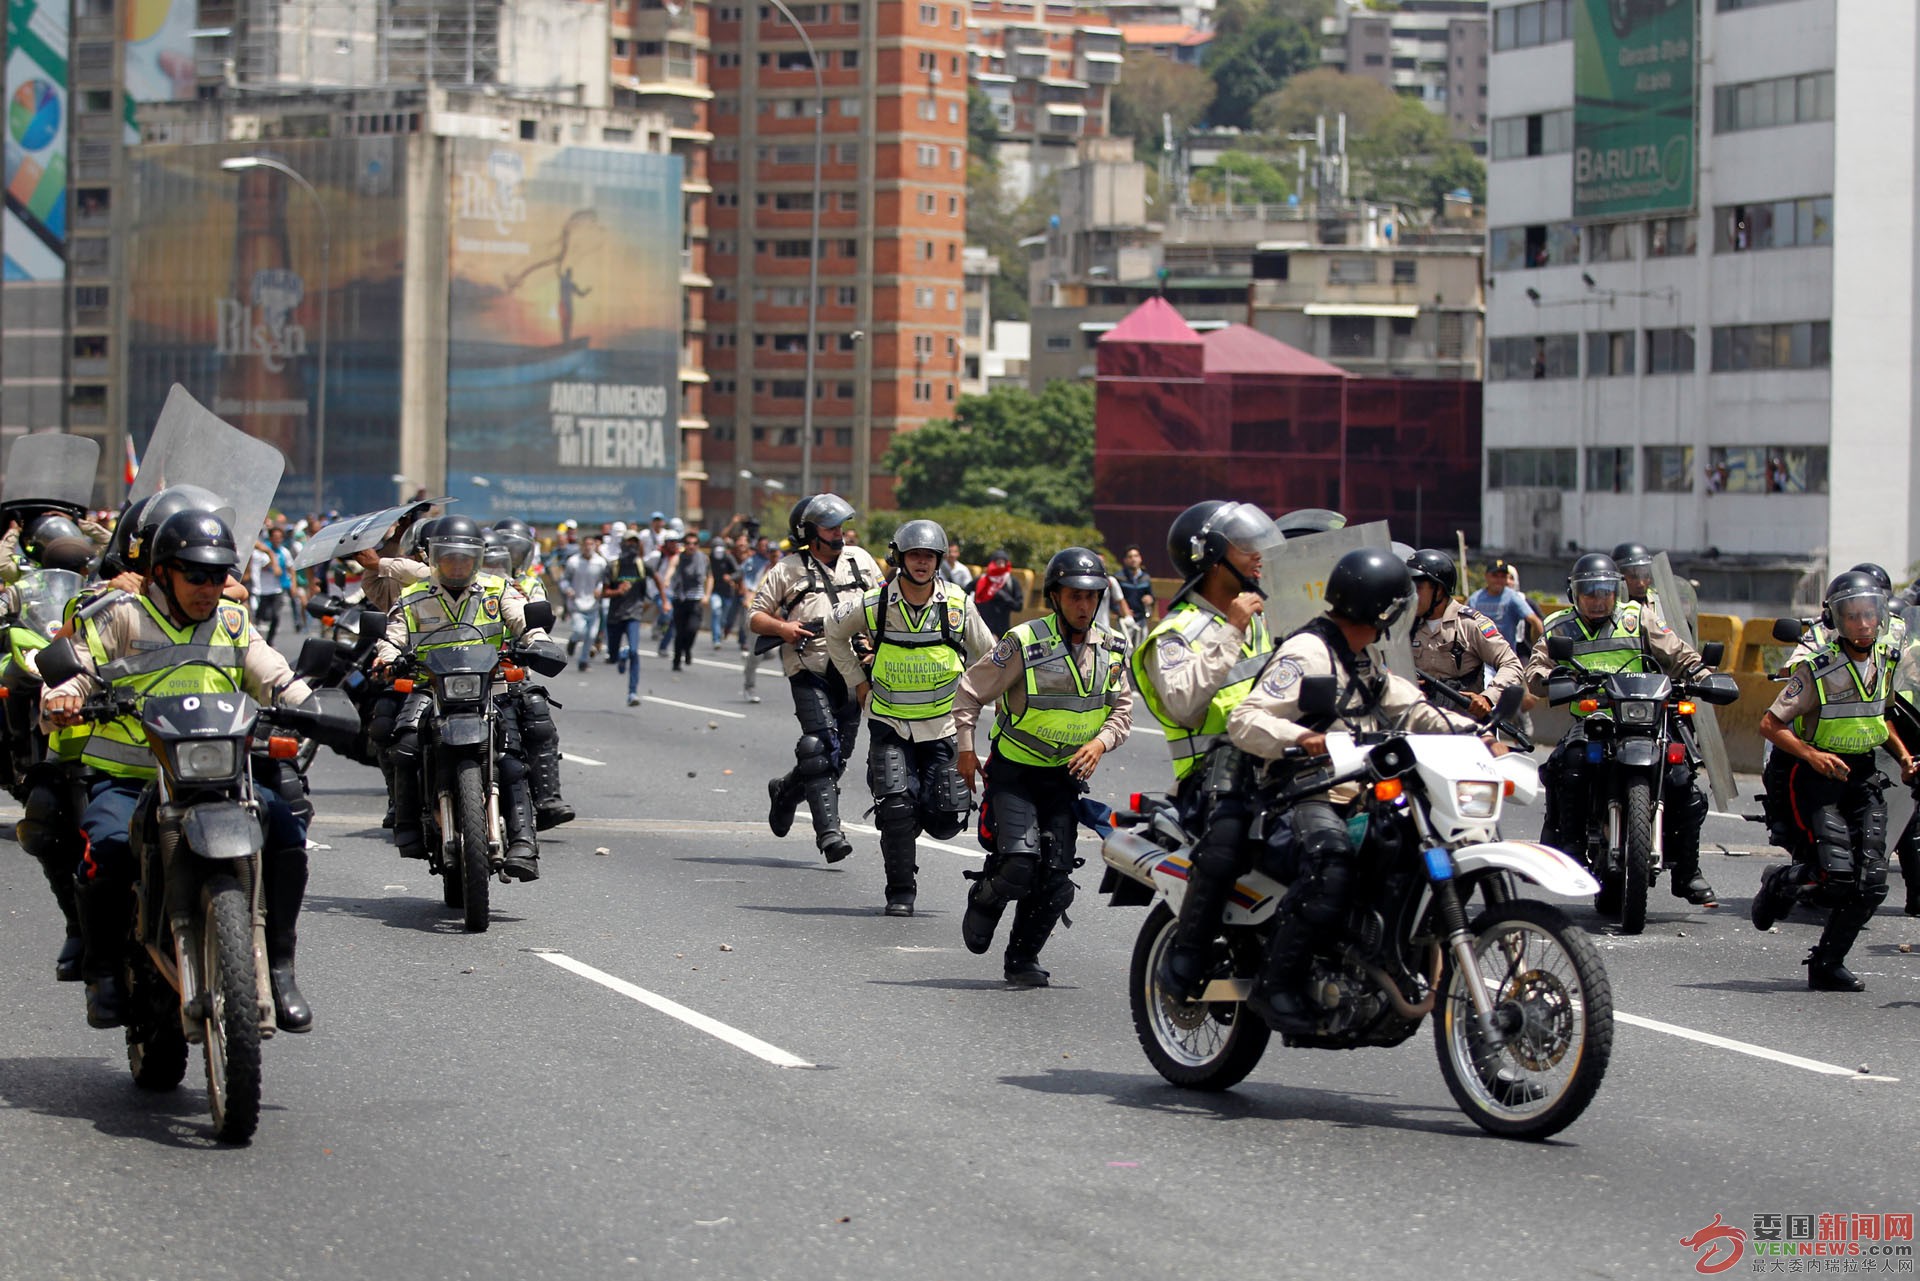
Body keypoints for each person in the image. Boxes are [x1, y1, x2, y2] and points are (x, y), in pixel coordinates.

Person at [41, 510, 320, 1032]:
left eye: (218, 576)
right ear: (162, 572)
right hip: (131, 776)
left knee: (285, 829)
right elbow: (75, 670)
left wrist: (313, 706)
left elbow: (274, 675)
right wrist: (62, 698)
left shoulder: (234, 622)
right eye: (196, 574)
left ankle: (280, 967)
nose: (209, 587)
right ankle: (101, 969)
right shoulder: (117, 615)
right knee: (105, 846)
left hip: (218, 771)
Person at [1225, 548, 1478, 1033]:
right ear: (1384, 610)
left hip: (1358, 790)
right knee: (1332, 863)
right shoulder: (1308, 653)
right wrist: (1303, 737)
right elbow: (1247, 718)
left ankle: (1384, 952)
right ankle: (1276, 984)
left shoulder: (1363, 658)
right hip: (1303, 791)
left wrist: (1474, 733)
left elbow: (1413, 709)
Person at [953, 547, 1133, 985]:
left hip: (1063, 779)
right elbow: (969, 692)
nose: (1084, 605)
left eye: (1092, 597)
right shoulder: (1023, 642)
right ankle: (985, 896)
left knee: (1055, 880)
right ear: (1054, 596)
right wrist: (965, 749)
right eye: (1074, 595)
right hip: (1014, 772)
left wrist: (1100, 742)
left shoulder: (1113, 649)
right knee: (1018, 863)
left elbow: (1122, 711)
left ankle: (1021, 959)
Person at [1131, 501, 1279, 1002]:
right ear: (1213, 558)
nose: (1258, 556)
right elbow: (1184, 703)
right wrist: (1230, 630)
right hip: (1211, 778)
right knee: (1227, 844)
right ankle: (1189, 956)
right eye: (1245, 548)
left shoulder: (1259, 616)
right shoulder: (1175, 635)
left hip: (1273, 761)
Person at [1524, 553, 1719, 906]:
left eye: (1605, 592)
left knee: (1682, 779)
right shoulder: (1557, 627)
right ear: (1575, 595)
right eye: (1590, 593)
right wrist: (1551, 678)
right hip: (1593, 720)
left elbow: (1679, 655)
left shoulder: (1638, 618)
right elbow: (1536, 671)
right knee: (1570, 766)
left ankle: (1688, 871)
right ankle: (1569, 848)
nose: (1598, 600)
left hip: (1644, 719)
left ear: (1617, 591)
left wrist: (1704, 676)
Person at [826, 518, 995, 915]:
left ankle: (916, 818)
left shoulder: (957, 603)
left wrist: (995, 706)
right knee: (897, 807)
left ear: (939, 561)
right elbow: (834, 630)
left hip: (943, 727)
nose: (921, 563)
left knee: (948, 813)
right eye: (914, 555)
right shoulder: (877, 602)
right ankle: (901, 890)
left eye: (929, 556)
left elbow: (991, 657)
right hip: (891, 723)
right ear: (900, 558)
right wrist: (857, 681)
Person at [1753, 571, 1912, 990]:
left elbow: (1882, 717)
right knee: (1835, 876)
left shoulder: (1887, 660)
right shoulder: (1816, 668)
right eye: (1852, 616)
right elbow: (1770, 725)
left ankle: (1826, 963)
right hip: (1818, 780)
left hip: (1864, 777)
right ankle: (1778, 884)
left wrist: (1904, 757)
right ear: (1838, 620)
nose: (1862, 624)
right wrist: (1813, 755)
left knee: (1872, 883)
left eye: (1868, 615)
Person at [377, 515, 554, 882]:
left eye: (464, 558)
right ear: (433, 559)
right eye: (449, 557)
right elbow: (392, 635)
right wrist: (388, 656)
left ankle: (523, 841)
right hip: (430, 688)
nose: (457, 565)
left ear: (476, 559)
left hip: (489, 687)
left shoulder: (497, 589)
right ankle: (406, 823)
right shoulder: (413, 596)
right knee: (405, 744)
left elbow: (523, 621)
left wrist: (538, 642)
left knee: (511, 758)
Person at [751, 494, 884, 863]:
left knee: (836, 759)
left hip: (854, 670)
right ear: (810, 532)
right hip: (808, 668)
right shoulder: (787, 569)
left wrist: (875, 646)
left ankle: (785, 791)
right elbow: (756, 617)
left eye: (840, 526)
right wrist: (785, 627)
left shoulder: (862, 560)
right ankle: (830, 833)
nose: (838, 533)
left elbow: (885, 607)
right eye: (829, 527)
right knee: (819, 746)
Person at [490, 518, 572, 827]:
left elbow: (538, 620)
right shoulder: (474, 582)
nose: (509, 557)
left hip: (510, 666)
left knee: (538, 720)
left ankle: (547, 799)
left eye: (515, 550)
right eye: (503, 550)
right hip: (462, 669)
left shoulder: (529, 582)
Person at [1407, 549, 1523, 720]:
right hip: (1415, 724)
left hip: (1463, 727)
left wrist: (1487, 697)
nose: (1411, 595)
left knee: (1494, 747)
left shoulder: (1470, 624)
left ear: (1438, 589)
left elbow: (1512, 665)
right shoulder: (1403, 626)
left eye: (1418, 588)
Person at [606, 531, 648, 704]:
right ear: (622, 544)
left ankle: (632, 692)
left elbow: (657, 581)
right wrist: (618, 591)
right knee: (613, 657)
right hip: (615, 616)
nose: (631, 547)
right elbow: (602, 592)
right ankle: (620, 655)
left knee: (634, 652)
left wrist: (665, 600)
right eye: (628, 543)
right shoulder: (613, 566)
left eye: (635, 543)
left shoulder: (641, 566)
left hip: (634, 614)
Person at [1466, 559, 1542, 652]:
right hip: (1479, 656)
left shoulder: (1512, 597)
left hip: (1505, 657)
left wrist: (1537, 650)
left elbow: (1535, 621)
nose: (1499, 580)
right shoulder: (1475, 598)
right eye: (1495, 576)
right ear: (1486, 576)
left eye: (1502, 577)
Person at [664, 531, 711, 671]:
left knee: (692, 629)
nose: (691, 546)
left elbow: (710, 577)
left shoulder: (704, 558)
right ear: (684, 545)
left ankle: (688, 649)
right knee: (680, 632)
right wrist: (666, 579)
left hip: (695, 599)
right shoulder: (679, 558)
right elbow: (671, 568)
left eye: (695, 544)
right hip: (680, 598)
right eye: (688, 544)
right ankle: (677, 660)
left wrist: (707, 595)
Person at [562, 534, 609, 671]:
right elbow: (565, 579)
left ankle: (583, 661)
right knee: (579, 630)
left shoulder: (600, 562)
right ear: (581, 546)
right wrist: (568, 589)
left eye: (591, 544)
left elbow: (603, 581)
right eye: (585, 544)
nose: (588, 547)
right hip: (577, 603)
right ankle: (573, 640)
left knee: (591, 635)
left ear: (595, 546)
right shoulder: (573, 562)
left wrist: (600, 589)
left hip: (593, 604)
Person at [738, 535, 773, 702]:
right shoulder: (758, 566)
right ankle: (749, 686)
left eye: (775, 552)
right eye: (769, 551)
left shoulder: (785, 569)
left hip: (775, 616)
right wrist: (746, 596)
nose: (772, 554)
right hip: (756, 612)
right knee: (756, 654)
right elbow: (747, 582)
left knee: (773, 652)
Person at [972, 549, 1023, 636]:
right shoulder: (982, 580)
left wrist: (1004, 597)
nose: (1001, 566)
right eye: (998, 563)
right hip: (982, 631)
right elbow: (964, 594)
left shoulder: (1011, 582)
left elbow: (1018, 606)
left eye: (1003, 563)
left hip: (1002, 632)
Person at [709, 532, 741, 650]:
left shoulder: (728, 557)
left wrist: (730, 577)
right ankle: (716, 639)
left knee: (724, 618)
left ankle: (721, 631)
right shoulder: (710, 558)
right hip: (715, 591)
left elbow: (738, 571)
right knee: (716, 611)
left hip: (727, 593)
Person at [1115, 544, 1156, 625]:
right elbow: (1113, 600)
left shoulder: (1146, 577)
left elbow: (1151, 596)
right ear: (1125, 560)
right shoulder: (1120, 578)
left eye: (1135, 556)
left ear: (1140, 558)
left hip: (1141, 620)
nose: (1133, 559)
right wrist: (1121, 611)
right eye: (1130, 557)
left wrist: (1150, 599)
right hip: (1125, 620)